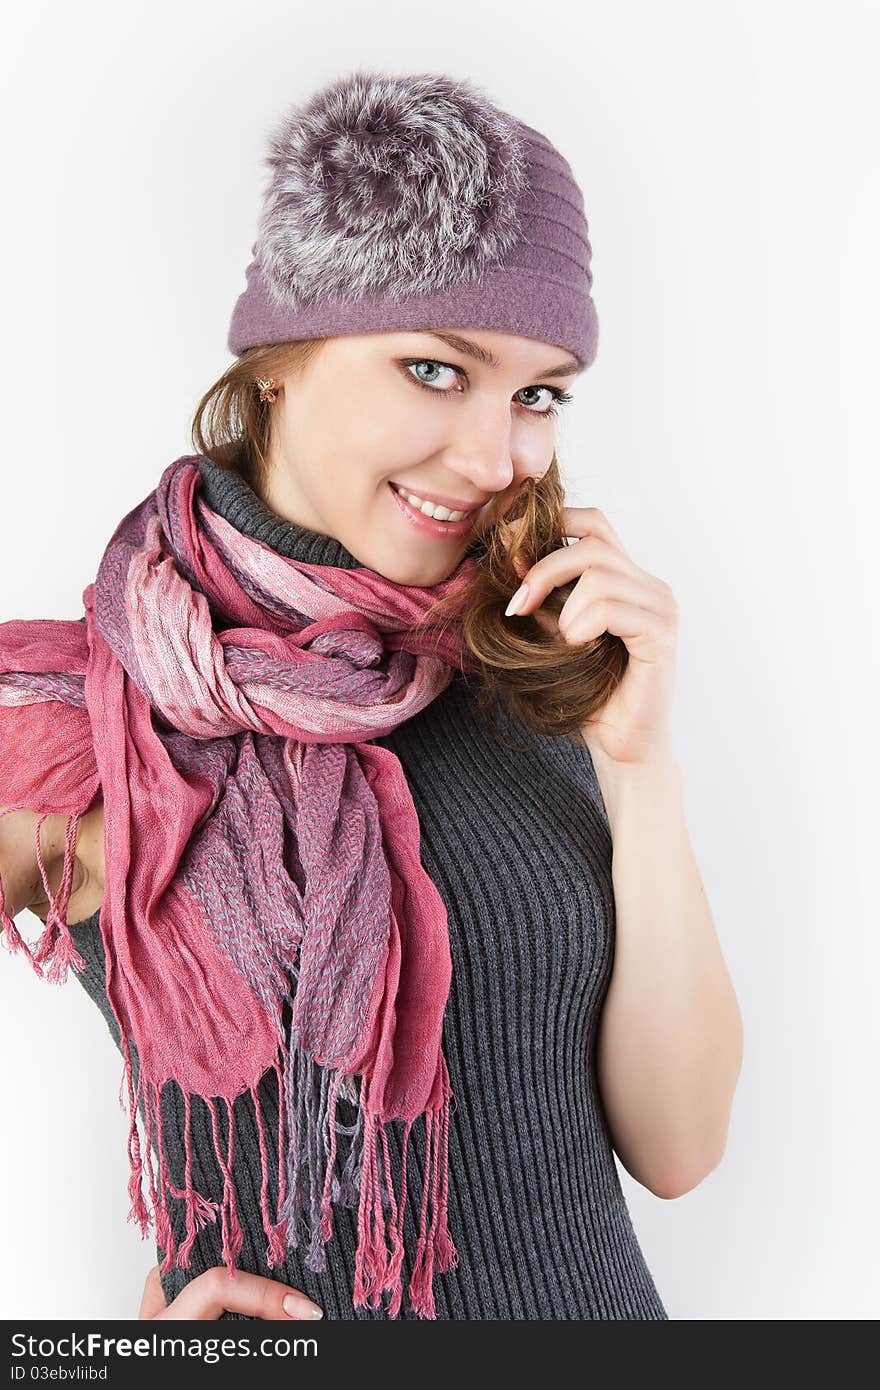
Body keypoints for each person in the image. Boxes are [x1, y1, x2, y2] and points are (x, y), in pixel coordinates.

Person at [0, 68, 743, 1321]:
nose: (495, 456)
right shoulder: (79, 719)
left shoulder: (518, 657)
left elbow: (676, 1149)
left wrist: (639, 762)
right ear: (280, 357)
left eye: (539, 394)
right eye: (436, 370)